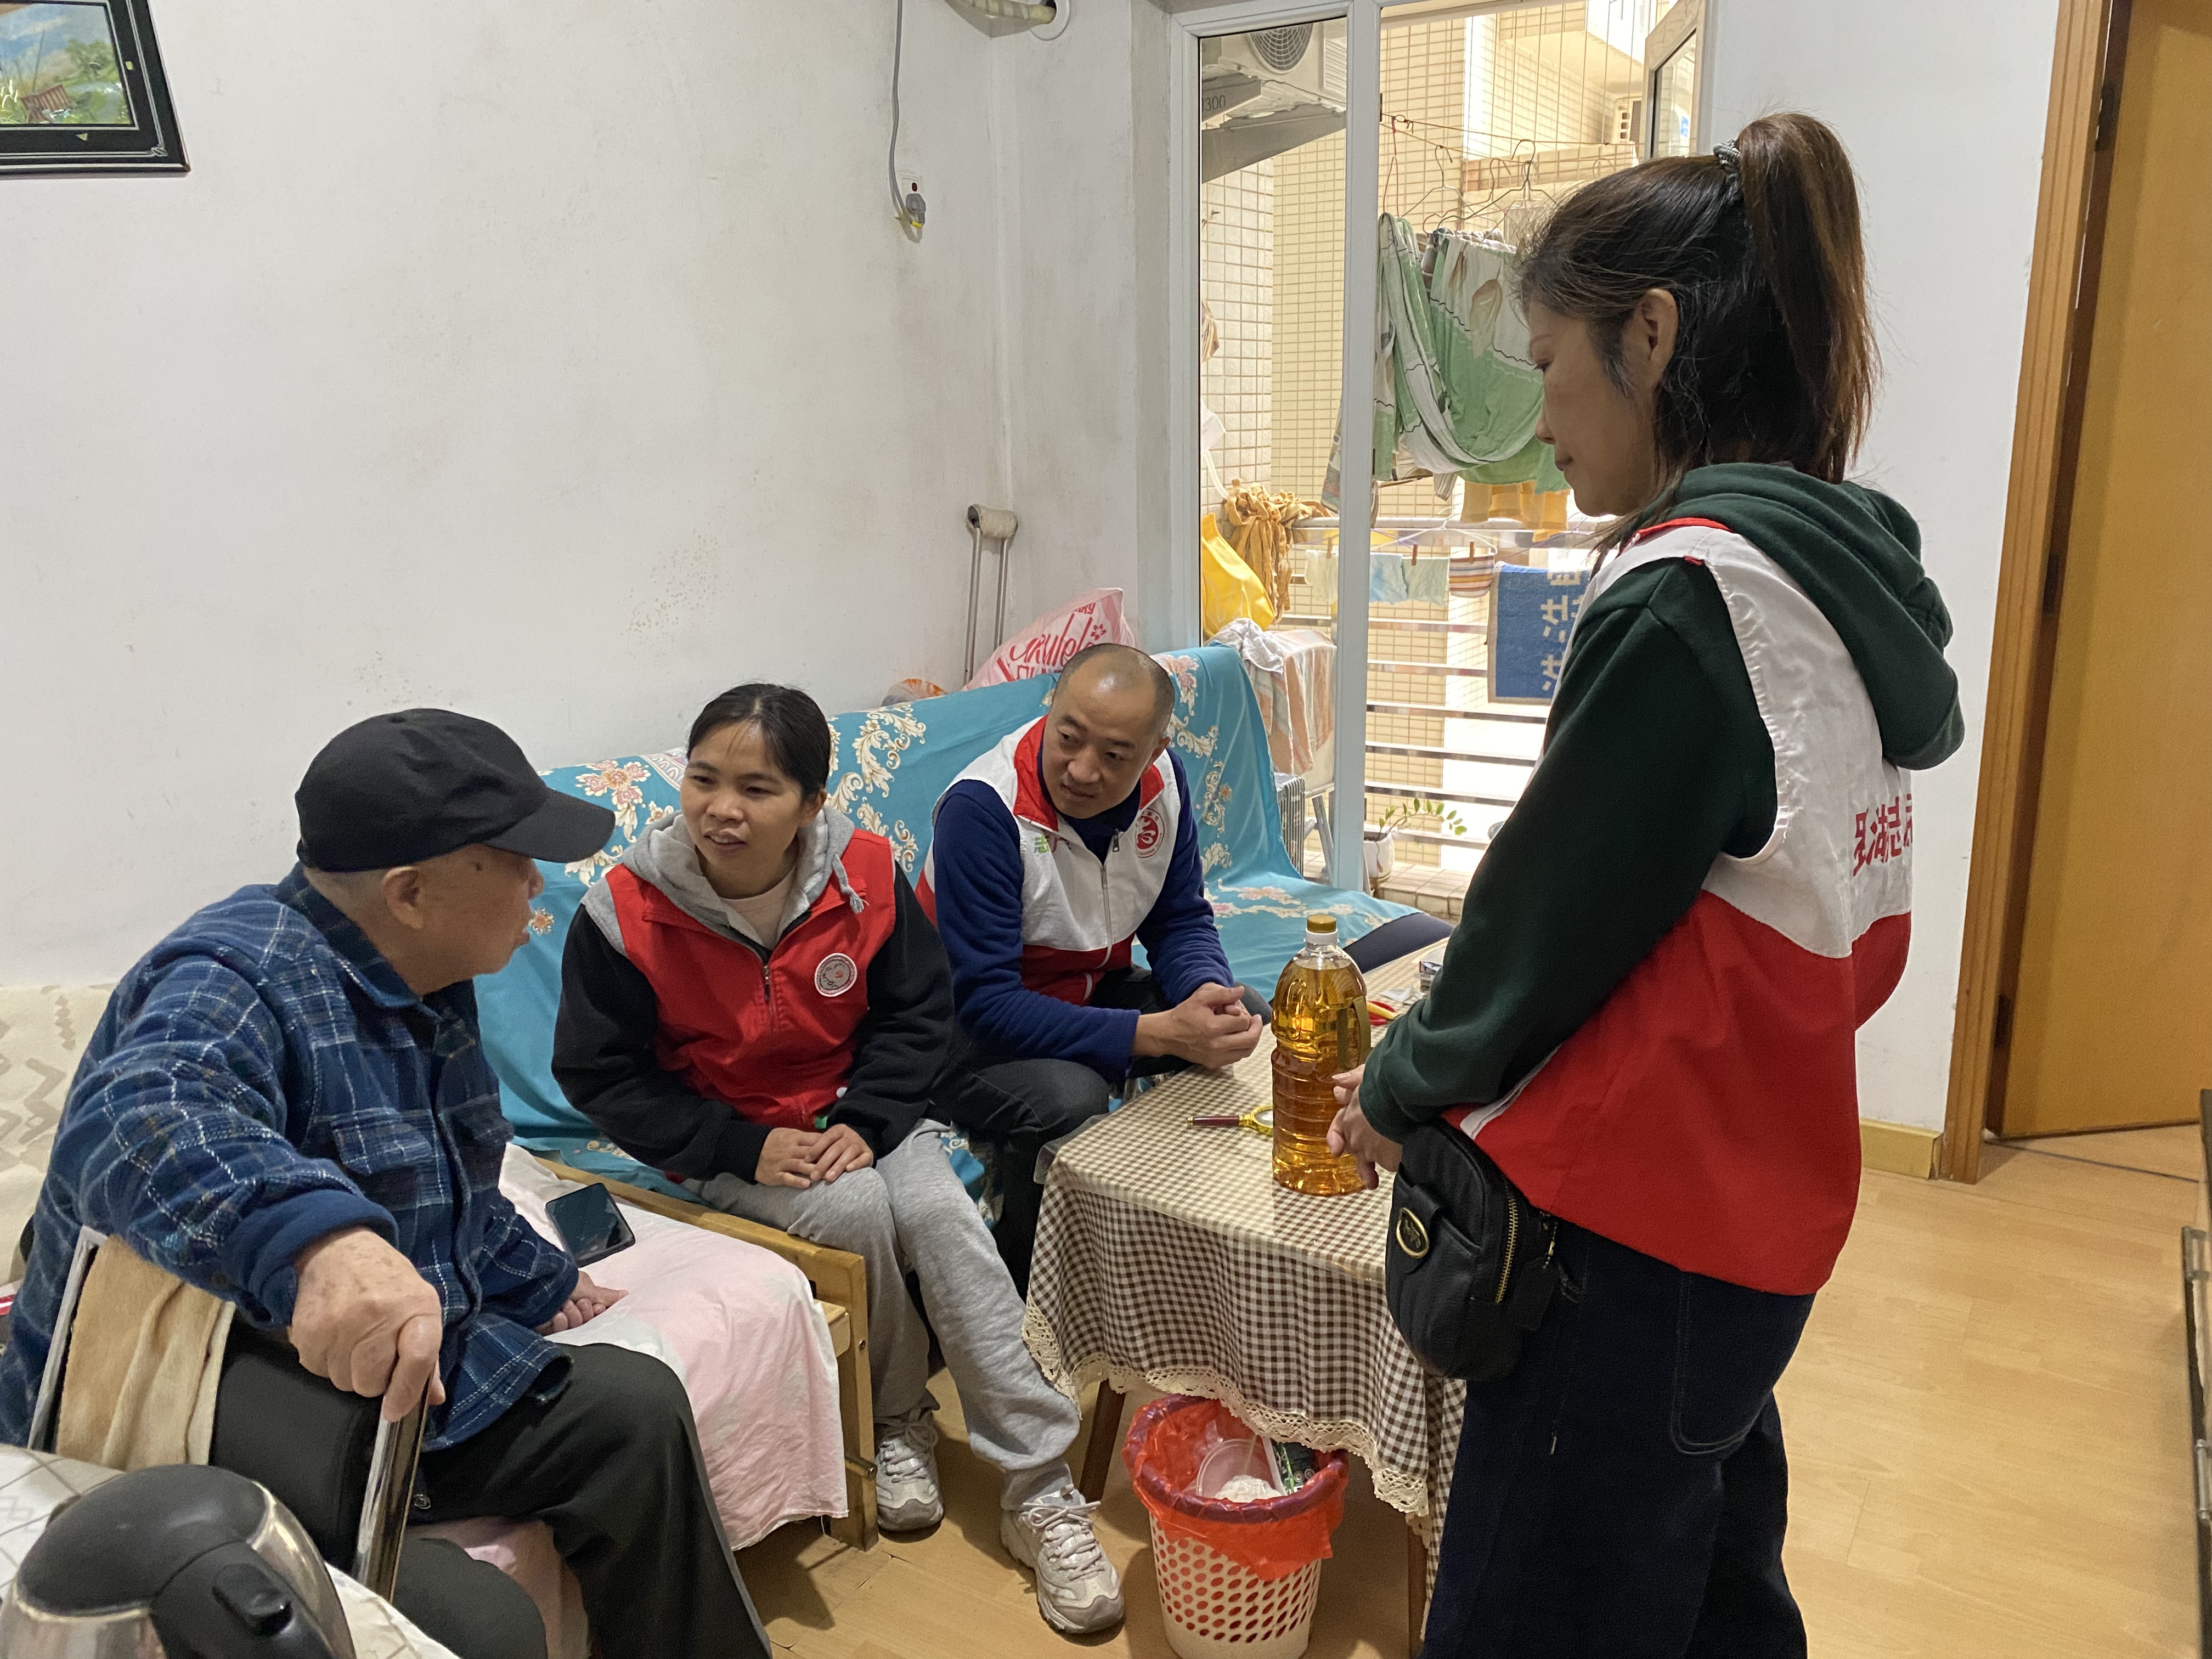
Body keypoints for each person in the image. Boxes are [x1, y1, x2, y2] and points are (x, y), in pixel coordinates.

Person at [1329, 115, 1963, 1657]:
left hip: (1631, 1237)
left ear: (1654, 336)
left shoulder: (1689, 596)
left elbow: (1538, 932)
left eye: (1550, 361)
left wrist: (1401, 1086)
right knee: (1712, 1581)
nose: (1539, 415)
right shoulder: (1826, 577)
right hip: (1758, 1202)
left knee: (1532, 1612)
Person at [0, 709, 769, 1659]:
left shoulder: (427, 970)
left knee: (634, 1408)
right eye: (516, 861)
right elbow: (142, 1117)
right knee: (484, 1625)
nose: (538, 883)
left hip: (374, 1392)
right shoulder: (231, 975)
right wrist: (315, 1241)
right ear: (410, 892)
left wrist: (541, 1279)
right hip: (215, 1420)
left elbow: (447, 1183)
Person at [551, 683, 1124, 1638]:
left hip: (866, 1111)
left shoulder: (862, 872)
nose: (722, 809)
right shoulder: (623, 913)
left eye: (757, 788)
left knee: (941, 1217)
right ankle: (898, 1422)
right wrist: (741, 1143)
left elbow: (918, 1013)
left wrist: (869, 1116)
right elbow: (601, 1075)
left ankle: (1040, 1488)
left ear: (812, 803)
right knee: (855, 1211)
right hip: (730, 1136)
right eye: (704, 779)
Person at [921, 642, 1265, 1291]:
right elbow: (986, 1004)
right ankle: (1032, 1286)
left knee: (1240, 1016)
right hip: (960, 1031)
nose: (1082, 771)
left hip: (1086, 991)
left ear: (1156, 751)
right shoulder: (983, 810)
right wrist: (1155, 1033)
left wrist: (1205, 997)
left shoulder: (1164, 786)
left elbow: (1179, 918)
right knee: (1068, 1097)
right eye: (1068, 738)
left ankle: (1189, 1238)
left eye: (1115, 756)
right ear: (1050, 706)